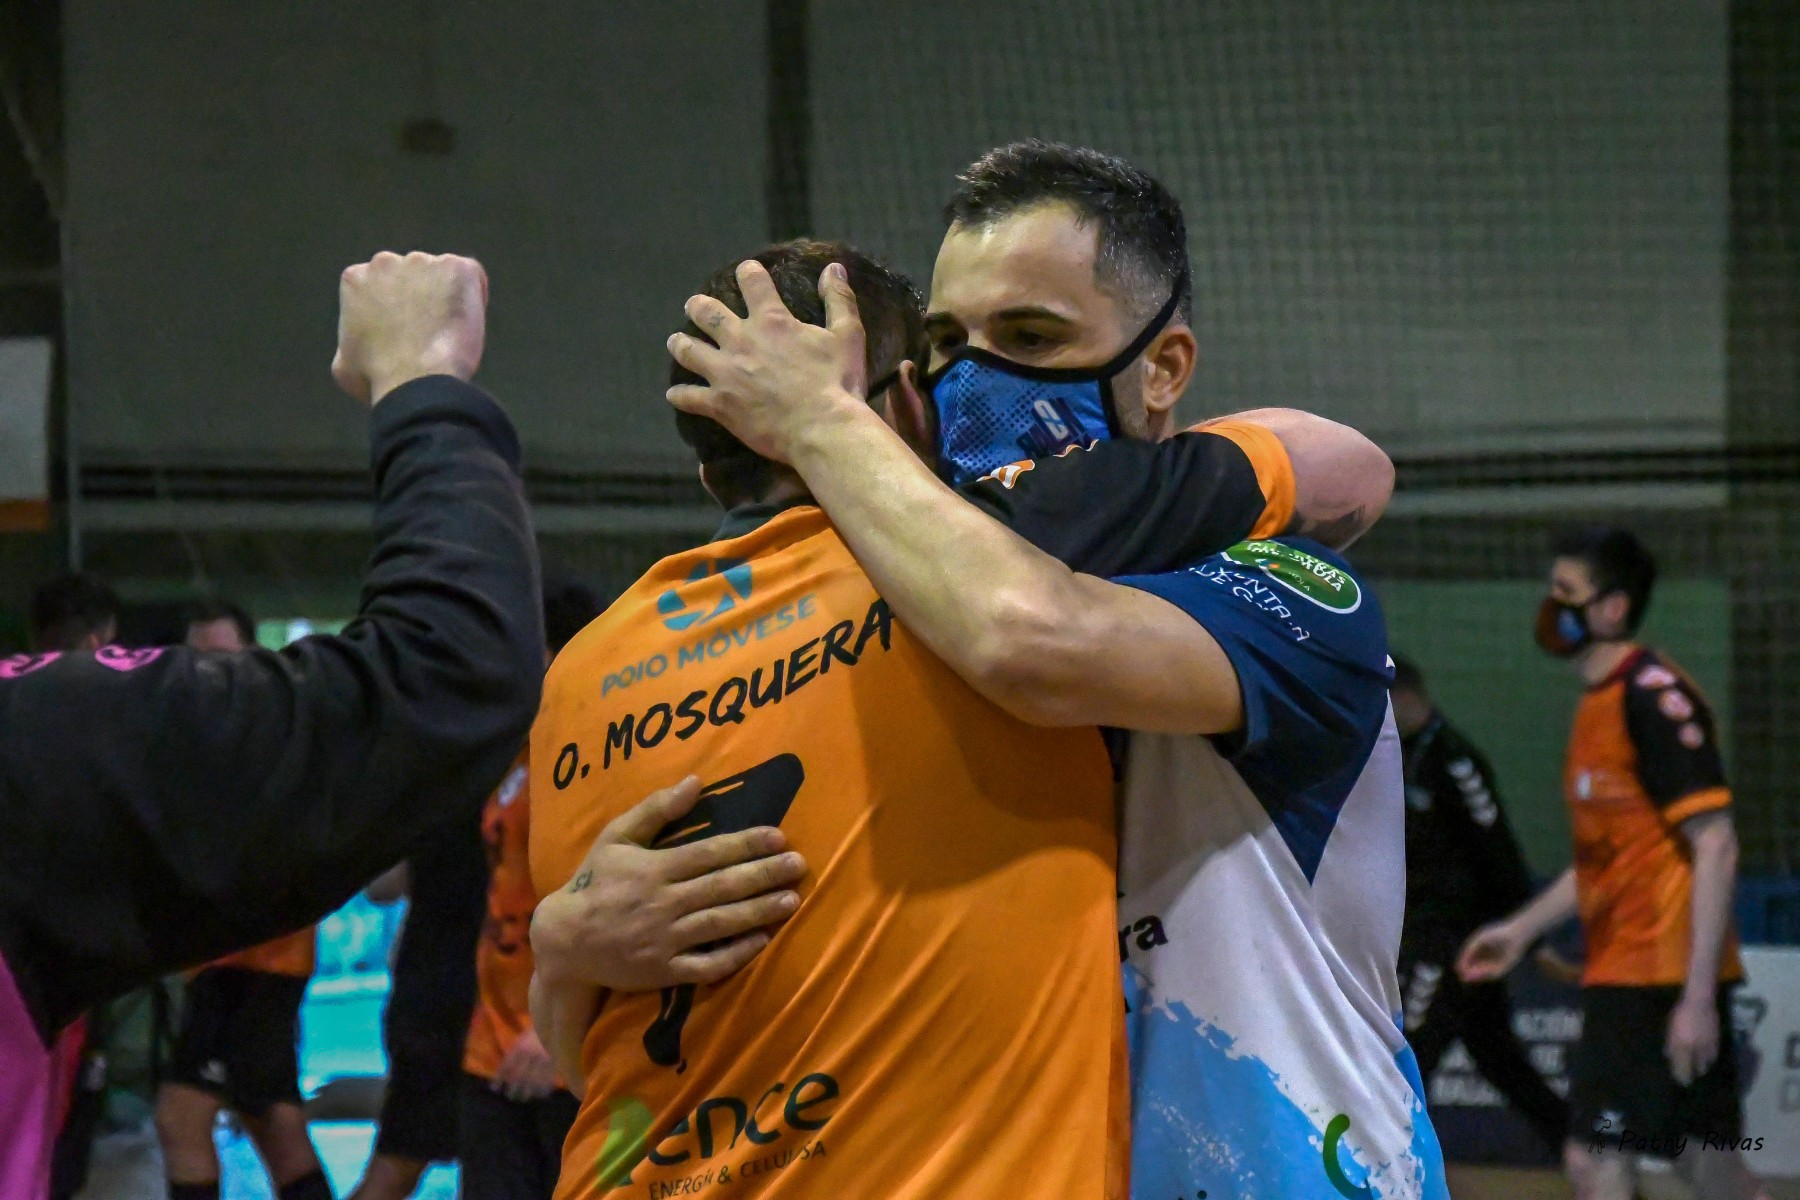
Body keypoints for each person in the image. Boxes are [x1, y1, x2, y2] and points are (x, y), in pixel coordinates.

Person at [665, 141, 1444, 1198]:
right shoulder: (900, 617)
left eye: (1031, 337)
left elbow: (1031, 639)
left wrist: (818, 424)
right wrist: (577, 946)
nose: (973, 380)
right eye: (946, 344)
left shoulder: (1286, 591)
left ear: (1162, 368)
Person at [0, 251, 550, 1199]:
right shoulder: (40, 748)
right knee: (228, 1122)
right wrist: (420, 380)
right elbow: (443, 675)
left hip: (287, 970)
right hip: (269, 962)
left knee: (245, 1123)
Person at [1459, 528, 1770, 1200]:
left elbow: (1716, 843)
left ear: (1612, 609)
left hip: (1660, 976)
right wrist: (1519, 930)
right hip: (1622, 971)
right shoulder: (1596, 705)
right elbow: (1604, 860)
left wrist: (1696, 999)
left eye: (1565, 593)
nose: (1550, 607)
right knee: (1690, 1162)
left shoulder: (1654, 697)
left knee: (1611, 1158)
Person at [153, 598, 329, 1200]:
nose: (210, 673)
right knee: (272, 1121)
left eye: (224, 658)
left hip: (258, 962)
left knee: (181, 1116)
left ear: (255, 658)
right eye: (197, 660)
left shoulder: (276, 736)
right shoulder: (194, 743)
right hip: (220, 961)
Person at [1389, 655, 1569, 1153]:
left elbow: (1498, 849)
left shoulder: (1454, 760)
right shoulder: (1398, 755)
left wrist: (1529, 935)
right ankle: (1587, 1155)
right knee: (1498, 1058)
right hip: (1421, 930)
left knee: (1409, 1054)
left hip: (1453, 939)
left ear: (1407, 697)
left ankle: (1387, 1166)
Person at [457, 578, 602, 1200]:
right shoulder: (517, 752)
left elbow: (608, 904)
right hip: (492, 1039)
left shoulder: (596, 755)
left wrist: (554, 1029)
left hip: (560, 1050)